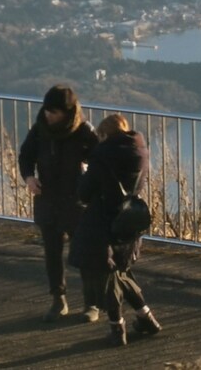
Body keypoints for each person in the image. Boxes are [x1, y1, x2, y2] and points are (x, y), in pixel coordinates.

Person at [72, 113, 162, 346]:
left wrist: (84, 170)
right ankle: (146, 318)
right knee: (121, 271)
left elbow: (84, 192)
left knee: (109, 275)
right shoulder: (140, 151)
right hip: (129, 218)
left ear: (104, 135)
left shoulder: (103, 157)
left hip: (103, 220)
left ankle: (117, 329)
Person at [18, 84, 101, 323]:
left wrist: (88, 184)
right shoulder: (40, 130)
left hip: (76, 202)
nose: (48, 115)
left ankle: (91, 303)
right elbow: (25, 156)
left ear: (67, 112)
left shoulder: (85, 132)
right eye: (47, 110)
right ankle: (58, 299)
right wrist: (29, 177)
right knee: (52, 252)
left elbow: (99, 161)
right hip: (48, 199)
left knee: (85, 253)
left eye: (54, 111)